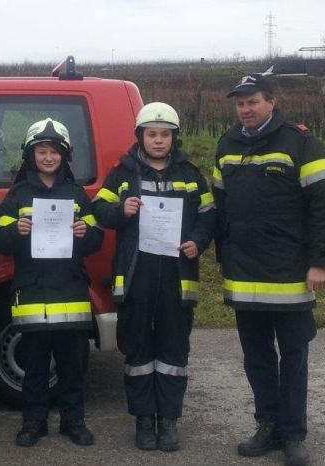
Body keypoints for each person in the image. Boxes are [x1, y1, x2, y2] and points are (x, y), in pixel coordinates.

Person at [213, 75, 325, 466]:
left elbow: (324, 205)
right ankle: (266, 425)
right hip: (244, 273)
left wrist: (320, 261)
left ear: (271, 102)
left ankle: (293, 436)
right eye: (239, 104)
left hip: (290, 274)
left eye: (252, 102)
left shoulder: (301, 142)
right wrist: (223, 256)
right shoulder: (227, 143)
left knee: (294, 355)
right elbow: (220, 207)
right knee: (257, 357)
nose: (245, 110)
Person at [93, 102, 215, 452]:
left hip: (177, 279)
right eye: (152, 134)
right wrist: (121, 209)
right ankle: (144, 421)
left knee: (174, 352)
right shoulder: (123, 173)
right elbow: (99, 210)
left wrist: (198, 241)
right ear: (140, 136)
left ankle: (169, 422)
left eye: (165, 135)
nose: (158, 141)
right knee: (138, 353)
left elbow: (208, 215)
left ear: (174, 137)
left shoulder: (191, 174)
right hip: (136, 278)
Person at [0, 118, 104, 448]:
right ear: (31, 155)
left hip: (69, 292)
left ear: (64, 156)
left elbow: (96, 238)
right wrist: (16, 231)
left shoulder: (77, 195)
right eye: (42, 151)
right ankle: (33, 423)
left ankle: (74, 422)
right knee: (35, 366)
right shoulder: (17, 196)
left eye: (55, 152)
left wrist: (87, 233)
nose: (48, 157)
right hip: (32, 293)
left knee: (71, 367)